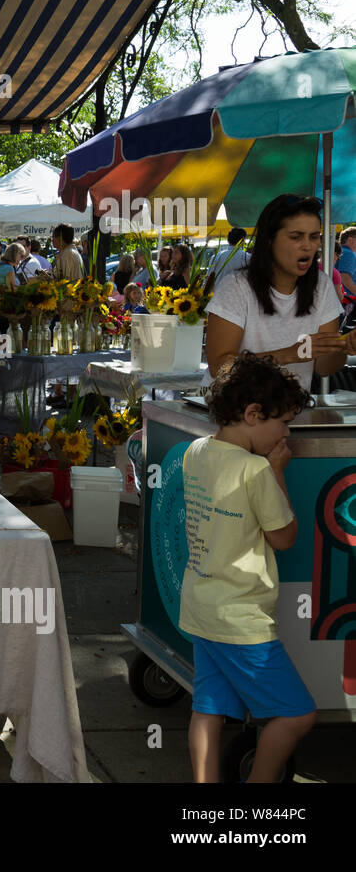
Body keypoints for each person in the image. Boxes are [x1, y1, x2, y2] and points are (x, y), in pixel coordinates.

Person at [180, 352, 315, 782]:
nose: (285, 433)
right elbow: (284, 536)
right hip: (241, 619)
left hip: (201, 605)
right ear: (253, 414)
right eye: (283, 422)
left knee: (208, 709)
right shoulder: (256, 470)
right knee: (296, 714)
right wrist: (277, 472)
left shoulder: (195, 450)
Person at [205, 194, 353, 392]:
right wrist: (288, 355)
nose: (308, 246)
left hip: (290, 409)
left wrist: (343, 347)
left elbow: (324, 366)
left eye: (314, 236)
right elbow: (219, 368)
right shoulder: (236, 287)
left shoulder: (322, 286)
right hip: (232, 410)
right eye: (296, 237)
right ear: (268, 240)